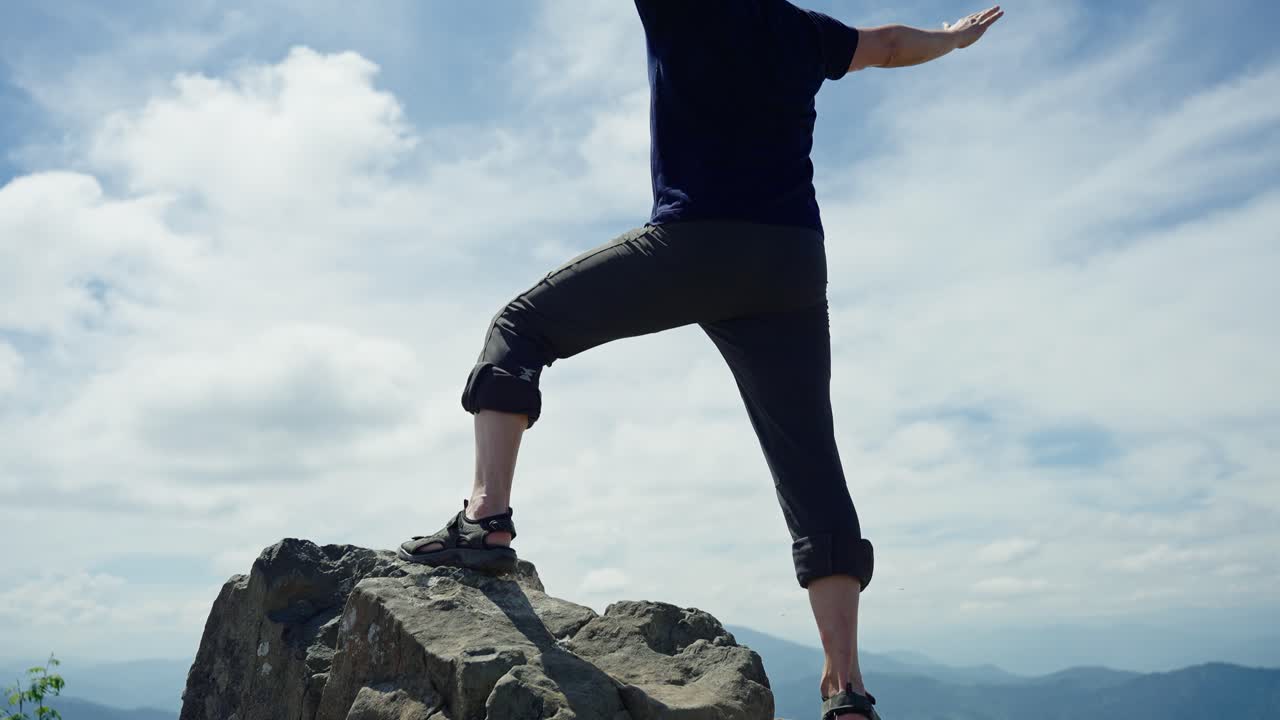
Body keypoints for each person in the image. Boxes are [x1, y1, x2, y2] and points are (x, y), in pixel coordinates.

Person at [399, 3, 1003, 718]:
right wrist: (954, 40)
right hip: (791, 265)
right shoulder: (800, 30)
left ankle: (485, 520)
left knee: (520, 327)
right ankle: (847, 687)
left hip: (696, 246)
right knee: (810, 460)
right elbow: (894, 45)